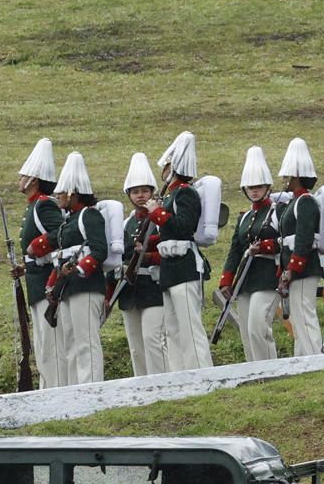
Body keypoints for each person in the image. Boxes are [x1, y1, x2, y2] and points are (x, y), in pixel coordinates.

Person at [141, 132, 213, 372]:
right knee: (172, 329)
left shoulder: (185, 193)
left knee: (189, 327)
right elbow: (167, 233)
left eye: (167, 166)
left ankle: (200, 373)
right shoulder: (171, 194)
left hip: (184, 264)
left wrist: (157, 213)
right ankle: (179, 375)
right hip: (170, 268)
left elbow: (183, 227)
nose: (163, 170)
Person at [47, 152, 107, 386]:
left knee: (86, 341)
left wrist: (80, 269)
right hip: (68, 288)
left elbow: (99, 250)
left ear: (73, 192)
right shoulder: (69, 221)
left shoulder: (89, 215)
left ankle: (91, 388)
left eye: (62, 192)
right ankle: (75, 390)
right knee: (70, 343)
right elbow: (61, 258)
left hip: (86, 285)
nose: (58, 196)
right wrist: (52, 284)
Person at [220, 147, 283, 362]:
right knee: (247, 331)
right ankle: (254, 373)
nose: (254, 191)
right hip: (246, 279)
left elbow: (289, 241)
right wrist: (226, 280)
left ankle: (269, 373)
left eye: (258, 186)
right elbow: (235, 249)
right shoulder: (244, 216)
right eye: (250, 187)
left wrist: (266, 246)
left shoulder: (278, 211)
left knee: (258, 327)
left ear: (267, 187)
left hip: (268, 276)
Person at [15, 138, 65, 386]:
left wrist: (39, 245)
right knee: (43, 345)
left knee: (50, 345)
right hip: (36, 281)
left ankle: (55, 391)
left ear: (34, 180)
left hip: (47, 282)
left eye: (24, 175)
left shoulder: (44, 205)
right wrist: (25, 267)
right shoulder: (33, 206)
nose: (19, 178)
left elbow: (62, 234)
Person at [116, 153, 170, 378]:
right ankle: (142, 385)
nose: (140, 196)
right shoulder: (125, 223)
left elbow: (168, 251)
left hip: (153, 286)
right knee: (136, 346)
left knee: (153, 339)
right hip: (130, 289)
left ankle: (163, 382)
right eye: (136, 192)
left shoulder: (159, 218)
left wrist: (147, 256)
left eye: (145, 191)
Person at [277, 138, 324, 358]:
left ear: (296, 177)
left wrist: (292, 270)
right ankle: (303, 358)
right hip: (296, 268)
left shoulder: (305, 201)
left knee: (305, 314)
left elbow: (304, 240)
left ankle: (314, 358)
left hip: (304, 268)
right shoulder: (294, 202)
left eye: (287, 176)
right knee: (298, 316)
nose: (284, 180)